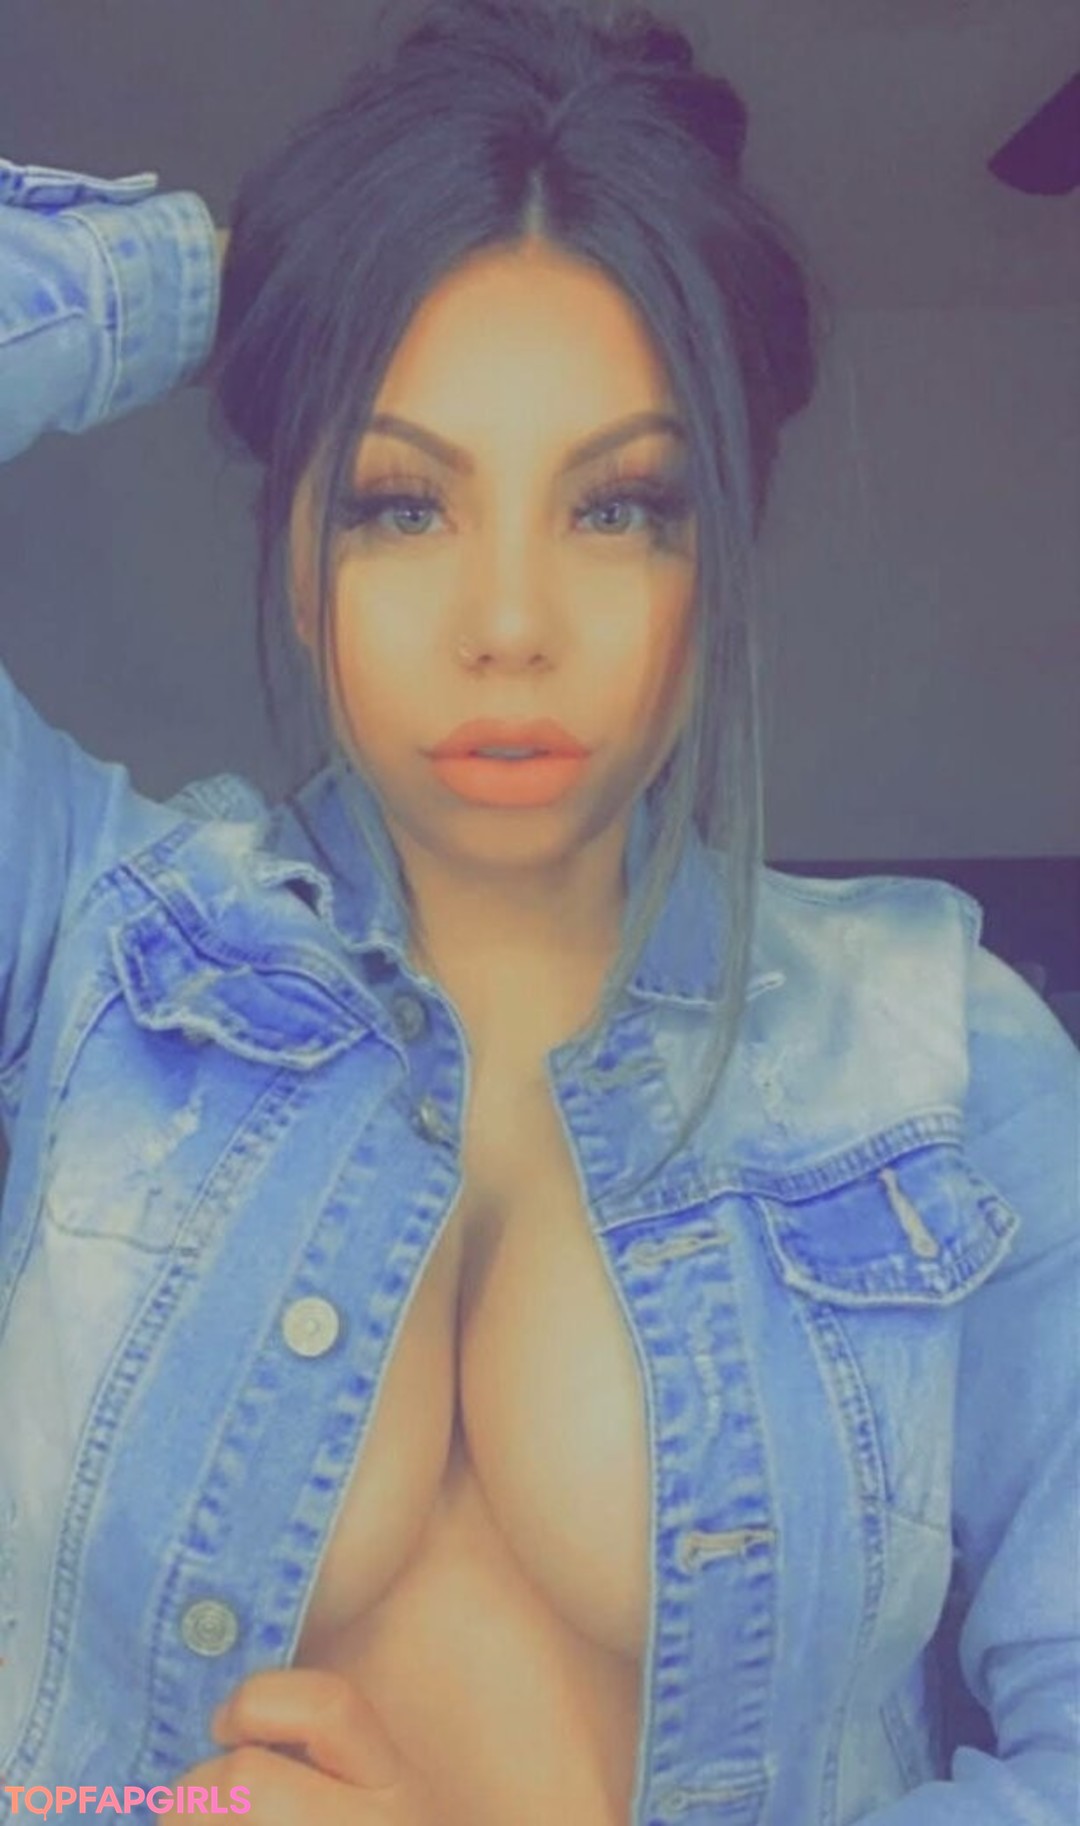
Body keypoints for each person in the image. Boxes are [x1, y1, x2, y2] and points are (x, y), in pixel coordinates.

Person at [0, 1, 1077, 1822]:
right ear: (296, 549)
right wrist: (226, 278)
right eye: (402, 503)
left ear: (719, 554)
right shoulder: (89, 937)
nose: (511, 622)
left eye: (621, 506)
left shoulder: (951, 1064)